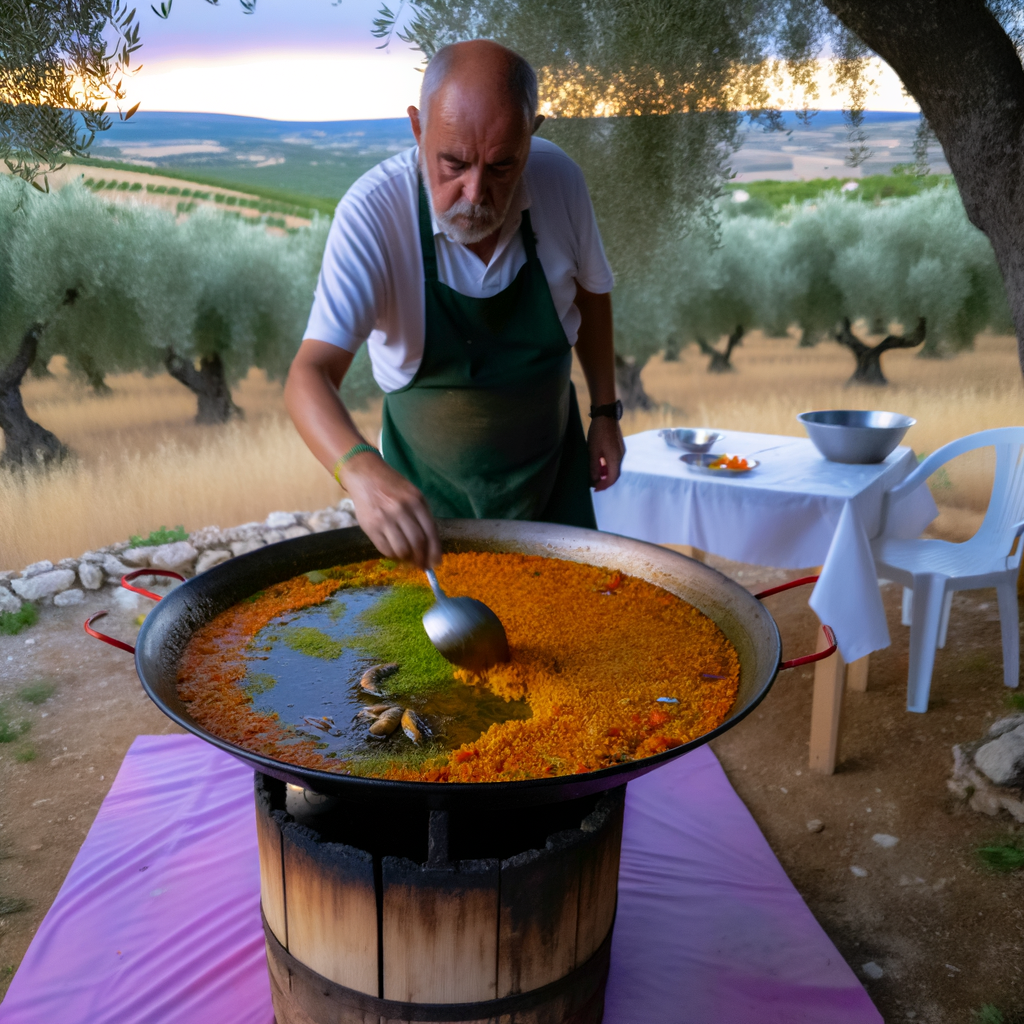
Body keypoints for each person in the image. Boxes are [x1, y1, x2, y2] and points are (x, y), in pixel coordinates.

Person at [285, 39, 623, 569]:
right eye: (454, 163)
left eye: (502, 166)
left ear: (531, 137)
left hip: (555, 486)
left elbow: (592, 291)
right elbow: (308, 375)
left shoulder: (561, 182)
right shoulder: (374, 214)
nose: (474, 193)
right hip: (429, 513)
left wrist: (605, 411)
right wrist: (359, 471)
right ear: (418, 130)